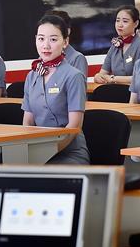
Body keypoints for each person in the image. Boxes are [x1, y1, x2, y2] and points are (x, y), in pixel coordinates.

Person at [22, 15, 90, 164]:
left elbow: (74, 125)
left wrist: (47, 151)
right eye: (41, 39)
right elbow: (28, 120)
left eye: (53, 39)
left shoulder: (74, 76)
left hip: (68, 151)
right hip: (37, 148)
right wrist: (26, 148)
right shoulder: (31, 76)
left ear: (65, 42)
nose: (45, 45)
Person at [93, 5, 140, 85]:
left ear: (136, 24)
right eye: (117, 21)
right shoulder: (115, 45)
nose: (120, 25)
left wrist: (113, 79)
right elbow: (103, 73)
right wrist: (98, 76)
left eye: (125, 21)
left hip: (135, 93)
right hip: (117, 91)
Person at [47, 9, 88, 77]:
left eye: (56, 29)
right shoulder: (41, 58)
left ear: (68, 31)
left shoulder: (77, 59)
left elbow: (78, 86)